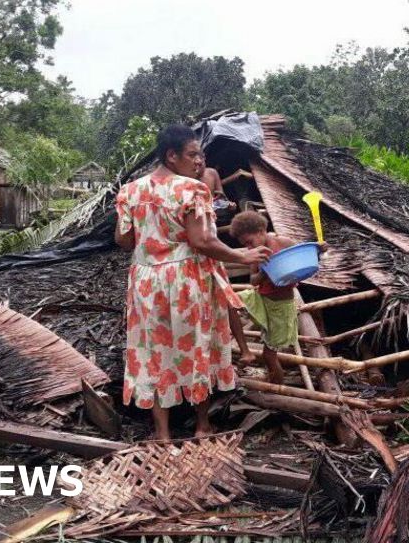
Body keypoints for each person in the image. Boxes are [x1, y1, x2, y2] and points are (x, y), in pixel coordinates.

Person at [115, 125, 271, 440]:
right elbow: (201, 241)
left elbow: (123, 239)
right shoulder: (192, 190)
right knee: (196, 346)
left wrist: (154, 239)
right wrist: (242, 257)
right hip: (186, 278)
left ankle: (162, 432)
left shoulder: (130, 191)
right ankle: (202, 426)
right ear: (171, 156)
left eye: (200, 154)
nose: (199, 161)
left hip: (146, 280)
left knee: (154, 350)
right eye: (192, 154)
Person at [229, 211, 326, 384]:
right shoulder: (256, 253)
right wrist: (264, 270)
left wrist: (319, 251)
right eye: (245, 245)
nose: (249, 248)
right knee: (230, 301)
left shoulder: (284, 243)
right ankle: (245, 351)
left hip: (281, 306)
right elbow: (253, 281)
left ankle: (277, 385)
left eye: (249, 242)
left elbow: (304, 262)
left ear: (261, 231)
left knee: (269, 355)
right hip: (261, 297)